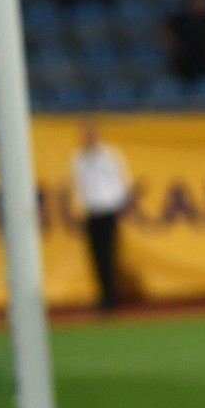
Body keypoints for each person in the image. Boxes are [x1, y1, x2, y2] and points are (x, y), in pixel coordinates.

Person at [71, 122, 131, 312]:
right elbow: (78, 187)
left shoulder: (110, 155)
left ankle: (112, 296)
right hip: (91, 212)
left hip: (108, 210)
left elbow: (121, 180)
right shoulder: (78, 159)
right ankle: (103, 296)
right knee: (95, 256)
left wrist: (118, 204)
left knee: (109, 254)